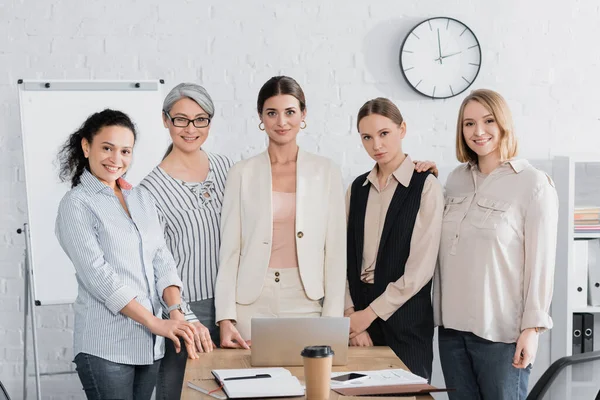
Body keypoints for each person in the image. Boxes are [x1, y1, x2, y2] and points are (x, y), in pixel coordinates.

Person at [55, 109, 195, 400]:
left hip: (150, 344)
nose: (116, 159)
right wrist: (155, 322)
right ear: (86, 146)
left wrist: (175, 313)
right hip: (106, 347)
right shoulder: (76, 204)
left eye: (125, 151)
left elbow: (162, 258)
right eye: (107, 148)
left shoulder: (141, 197)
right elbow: (99, 277)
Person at [433, 89, 558, 399]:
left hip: (501, 336)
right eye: (468, 123)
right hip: (451, 331)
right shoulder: (455, 180)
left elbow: (541, 264)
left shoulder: (533, 183)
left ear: (504, 124)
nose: (478, 131)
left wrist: (532, 330)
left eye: (488, 121)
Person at [214, 75, 346, 348]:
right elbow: (230, 251)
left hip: (306, 299)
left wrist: (333, 318)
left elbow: (335, 251)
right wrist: (225, 318)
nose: (281, 122)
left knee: (309, 385)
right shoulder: (242, 173)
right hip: (251, 300)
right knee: (253, 386)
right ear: (261, 117)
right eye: (272, 113)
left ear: (303, 114)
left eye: (290, 112)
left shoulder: (326, 171)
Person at [139, 83, 233, 400]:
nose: (190, 129)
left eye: (200, 119)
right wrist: (184, 316)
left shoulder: (228, 168)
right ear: (166, 120)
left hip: (235, 306)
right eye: (181, 119)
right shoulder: (149, 189)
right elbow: (155, 261)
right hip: (187, 311)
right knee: (183, 393)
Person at [344, 98, 444, 381]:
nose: (376, 145)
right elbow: (341, 256)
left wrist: (368, 314)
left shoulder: (426, 186)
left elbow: (420, 271)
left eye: (384, 133)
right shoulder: (357, 188)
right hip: (358, 321)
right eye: (367, 137)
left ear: (402, 130)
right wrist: (352, 317)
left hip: (406, 323)